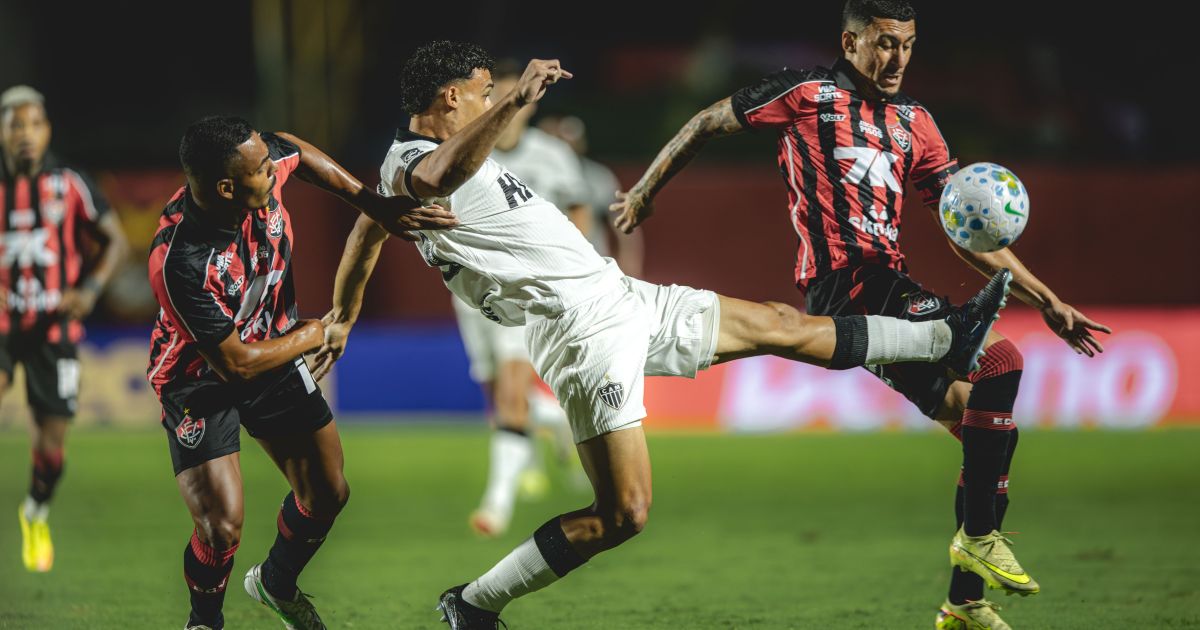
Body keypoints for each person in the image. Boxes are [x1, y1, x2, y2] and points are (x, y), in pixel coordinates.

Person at [317, 41, 1010, 629]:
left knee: (780, 324)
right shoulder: (413, 161)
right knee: (624, 513)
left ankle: (946, 337)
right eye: (483, 93)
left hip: (617, 296)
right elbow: (434, 177)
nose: (497, 103)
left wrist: (343, 315)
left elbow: (366, 229)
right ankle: (473, 603)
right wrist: (515, 99)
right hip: (580, 332)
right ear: (449, 98)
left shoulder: (419, 171)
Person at [611, 2, 1112, 627]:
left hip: (887, 284)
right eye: (884, 43)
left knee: (985, 428)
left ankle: (963, 603)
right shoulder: (806, 94)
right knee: (1001, 361)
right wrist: (644, 192)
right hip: (845, 284)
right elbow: (706, 123)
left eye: (908, 44)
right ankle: (981, 540)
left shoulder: (916, 123)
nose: (898, 58)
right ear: (850, 42)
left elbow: (963, 228)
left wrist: (1049, 300)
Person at [147, 115, 456, 630]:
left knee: (328, 492)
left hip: (273, 348)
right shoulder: (180, 261)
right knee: (221, 528)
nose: (274, 169)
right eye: (262, 169)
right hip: (200, 378)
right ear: (226, 188)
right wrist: (314, 333)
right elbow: (235, 363)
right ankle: (204, 621)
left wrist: (372, 202)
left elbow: (294, 149)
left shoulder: (256, 170)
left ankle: (277, 581)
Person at [0, 85, 130, 573]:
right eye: (16, 125)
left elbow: (116, 242)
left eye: (34, 124)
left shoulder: (71, 184)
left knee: (51, 453)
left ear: (47, 131)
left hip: (54, 330)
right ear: (2, 132)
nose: (26, 134)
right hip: (3, 327)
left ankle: (34, 513)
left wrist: (90, 291)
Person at [460, 60, 585, 538]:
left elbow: (579, 212)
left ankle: (496, 506)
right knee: (497, 395)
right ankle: (554, 417)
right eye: (495, 95)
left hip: (526, 289)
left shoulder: (552, 156)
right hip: (471, 289)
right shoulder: (469, 151)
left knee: (512, 394)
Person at [540, 114, 644, 277]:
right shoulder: (534, 174)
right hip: (546, 265)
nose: (565, 148)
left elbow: (624, 225)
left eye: (570, 140)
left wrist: (630, 264)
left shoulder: (598, 177)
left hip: (592, 265)